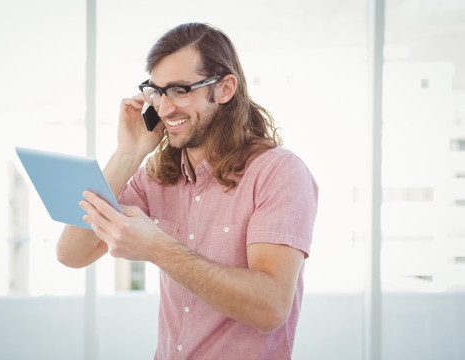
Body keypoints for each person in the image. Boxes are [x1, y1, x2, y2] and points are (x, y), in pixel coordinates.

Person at [57, 22, 318, 360]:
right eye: (158, 91)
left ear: (224, 89)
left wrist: (156, 247)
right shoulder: (157, 176)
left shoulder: (278, 172)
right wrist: (128, 153)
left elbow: (270, 308)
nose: (165, 109)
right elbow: (72, 252)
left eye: (180, 90)